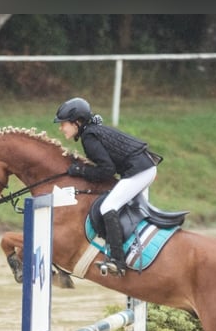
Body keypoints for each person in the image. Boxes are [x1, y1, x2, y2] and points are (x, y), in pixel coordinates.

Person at [53, 96, 161, 276]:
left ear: (77, 122)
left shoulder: (89, 137)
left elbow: (107, 170)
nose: (61, 127)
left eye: (64, 123)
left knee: (108, 206)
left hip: (140, 170)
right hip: (143, 167)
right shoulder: (91, 132)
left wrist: (80, 170)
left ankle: (117, 260)